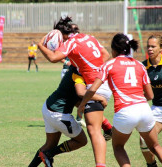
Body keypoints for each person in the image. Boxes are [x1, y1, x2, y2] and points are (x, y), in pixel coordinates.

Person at [77, 33, 162, 167]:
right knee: (155, 146)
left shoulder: (109, 64)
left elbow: (92, 89)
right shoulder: (139, 65)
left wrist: (82, 105)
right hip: (144, 109)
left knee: (118, 146)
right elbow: (150, 95)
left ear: (114, 49)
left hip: (125, 111)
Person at [38, 16, 112, 167]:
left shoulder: (71, 42)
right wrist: (89, 68)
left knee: (93, 132)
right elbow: (106, 55)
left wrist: (40, 45)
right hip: (103, 84)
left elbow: (53, 58)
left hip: (93, 88)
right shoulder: (89, 37)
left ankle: (106, 135)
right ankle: (108, 127)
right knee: (89, 119)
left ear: (63, 34)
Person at [28, 65, 108, 167]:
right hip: (59, 113)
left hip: (49, 107)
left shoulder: (75, 67)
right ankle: (48, 154)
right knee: (81, 141)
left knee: (50, 145)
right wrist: (101, 98)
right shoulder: (78, 71)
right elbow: (80, 92)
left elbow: (74, 99)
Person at [140, 34, 162, 167]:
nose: (150, 49)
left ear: (161, 48)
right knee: (144, 140)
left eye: (153, 46)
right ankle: (151, 165)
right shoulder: (143, 67)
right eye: (148, 46)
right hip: (158, 108)